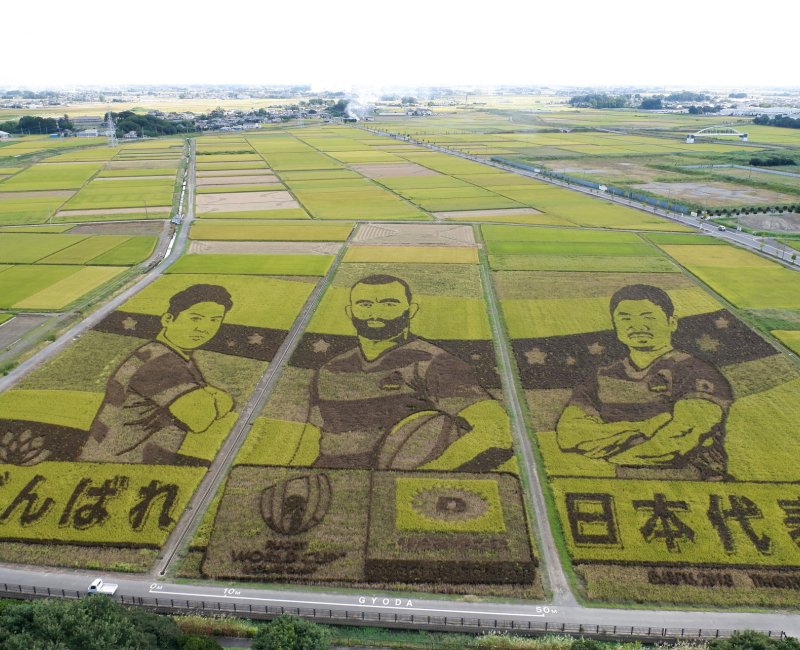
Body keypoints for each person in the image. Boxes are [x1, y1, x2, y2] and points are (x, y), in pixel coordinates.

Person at [300, 274, 513, 470]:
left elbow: (497, 431)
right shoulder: (329, 370)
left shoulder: (434, 362)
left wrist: (425, 476)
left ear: (411, 310)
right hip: (332, 484)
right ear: (350, 312)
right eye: (364, 304)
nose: (375, 313)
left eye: (389, 304)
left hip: (397, 488)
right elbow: (311, 439)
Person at [556, 284, 733, 481]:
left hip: (697, 485)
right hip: (622, 485)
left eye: (648, 317)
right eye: (625, 319)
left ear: (671, 322)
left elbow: (681, 438)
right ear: (615, 326)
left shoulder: (696, 372)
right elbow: (569, 435)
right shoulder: (601, 376)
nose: (637, 326)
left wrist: (611, 452)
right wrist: (648, 427)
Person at [79, 284, 234, 464]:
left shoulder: (173, 357)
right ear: (168, 319)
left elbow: (216, 403)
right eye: (195, 318)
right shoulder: (159, 362)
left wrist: (213, 400)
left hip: (126, 463)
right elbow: (200, 418)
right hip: (117, 465)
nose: (204, 328)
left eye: (215, 320)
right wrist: (214, 400)